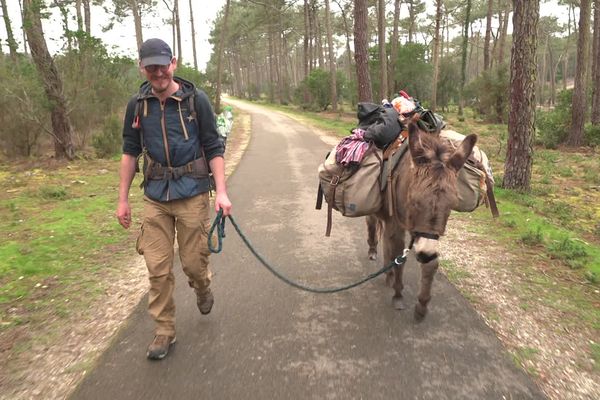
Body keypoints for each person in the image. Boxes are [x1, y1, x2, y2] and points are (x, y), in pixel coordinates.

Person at [116, 38, 232, 360]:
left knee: (194, 264)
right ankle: (164, 330)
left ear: (173, 63)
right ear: (142, 67)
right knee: (157, 267)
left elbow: (213, 146)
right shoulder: (137, 105)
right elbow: (129, 152)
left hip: (192, 192)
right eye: (150, 66)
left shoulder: (196, 101)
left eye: (162, 65)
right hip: (154, 196)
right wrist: (122, 199)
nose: (158, 72)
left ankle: (202, 286)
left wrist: (221, 191)